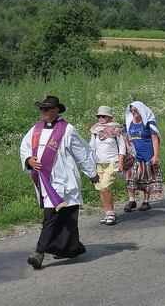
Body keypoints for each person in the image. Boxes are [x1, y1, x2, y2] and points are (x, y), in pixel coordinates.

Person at [20, 96, 99, 269]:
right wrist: (28, 160)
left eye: (46, 110)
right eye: (41, 109)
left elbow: (81, 153)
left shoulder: (67, 130)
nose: (43, 113)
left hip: (65, 180)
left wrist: (92, 173)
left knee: (66, 216)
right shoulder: (36, 129)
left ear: (56, 110)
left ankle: (39, 252)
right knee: (53, 215)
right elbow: (25, 147)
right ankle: (66, 249)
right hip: (46, 181)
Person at [89, 105, 126, 226]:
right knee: (101, 189)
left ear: (109, 117)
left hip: (112, 162)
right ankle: (107, 213)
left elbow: (122, 147)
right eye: (99, 116)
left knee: (105, 187)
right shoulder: (95, 130)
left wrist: (120, 162)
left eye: (103, 116)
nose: (100, 118)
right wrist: (90, 162)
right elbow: (92, 146)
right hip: (99, 163)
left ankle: (111, 213)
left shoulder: (116, 129)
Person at [124, 101, 162, 213]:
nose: (133, 112)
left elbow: (155, 139)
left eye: (136, 110)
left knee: (146, 178)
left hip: (146, 155)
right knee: (130, 178)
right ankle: (132, 200)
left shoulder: (148, 123)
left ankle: (146, 201)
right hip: (133, 156)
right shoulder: (129, 122)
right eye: (132, 110)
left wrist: (155, 156)